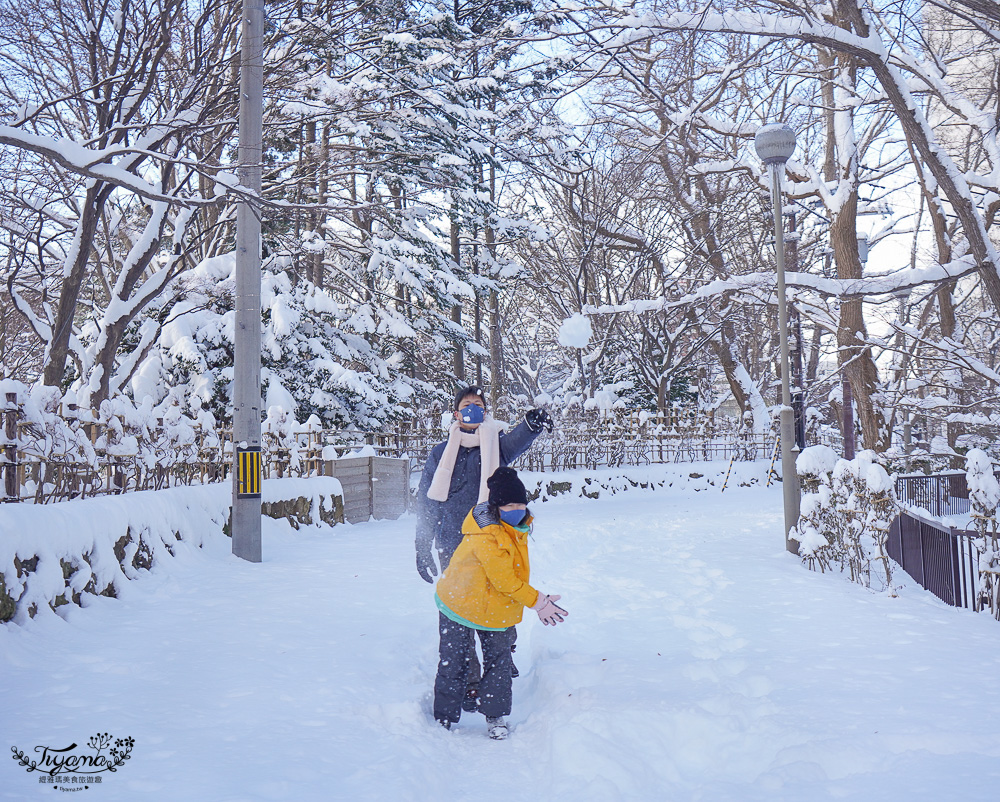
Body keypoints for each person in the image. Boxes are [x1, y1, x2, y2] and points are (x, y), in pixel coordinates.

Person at [415, 387, 553, 703]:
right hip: (453, 542)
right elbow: (427, 499)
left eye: (478, 405)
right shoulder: (440, 453)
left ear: (486, 412)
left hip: (495, 538)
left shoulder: (495, 446)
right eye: (467, 405)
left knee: (502, 595)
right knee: (460, 610)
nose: (473, 409)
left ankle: (502, 656)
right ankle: (471, 678)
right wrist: (422, 542)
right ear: (456, 413)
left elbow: (517, 440)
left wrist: (531, 424)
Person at [433, 466, 568, 739]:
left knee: (500, 661)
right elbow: (505, 580)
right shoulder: (487, 536)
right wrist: (539, 602)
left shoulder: (517, 526)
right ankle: (443, 719)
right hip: (458, 602)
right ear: (496, 507)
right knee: (454, 660)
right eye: (509, 505)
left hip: (495, 605)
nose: (516, 508)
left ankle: (495, 716)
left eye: (520, 503)